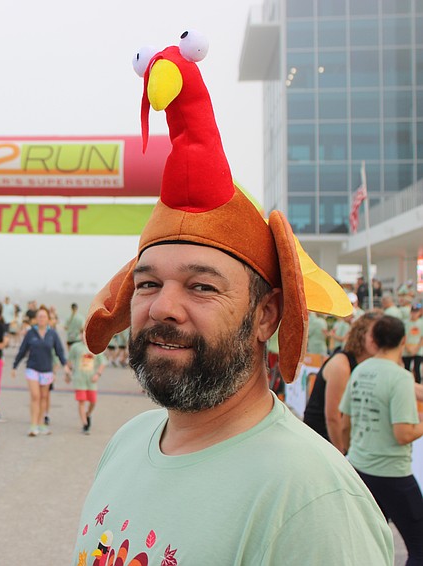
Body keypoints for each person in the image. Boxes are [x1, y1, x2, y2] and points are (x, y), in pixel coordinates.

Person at [73, 37, 392, 563]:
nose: (162, 307)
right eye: (148, 283)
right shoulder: (129, 442)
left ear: (266, 313)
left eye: (201, 286)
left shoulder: (309, 499)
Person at [340, 315, 423, 564]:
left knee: (371, 542)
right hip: (392, 473)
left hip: (359, 467)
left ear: (372, 340)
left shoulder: (360, 370)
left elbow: (344, 422)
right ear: (404, 340)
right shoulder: (399, 378)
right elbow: (403, 434)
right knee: (420, 547)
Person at [302, 311, 381, 452]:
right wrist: (343, 454)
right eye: (376, 335)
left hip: (344, 435)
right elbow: (333, 418)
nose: (380, 340)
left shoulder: (370, 363)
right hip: (321, 437)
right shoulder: (341, 365)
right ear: (361, 335)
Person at [11, 305, 67, 437]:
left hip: (46, 370)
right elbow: (22, 350)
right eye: (39, 316)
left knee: (44, 397)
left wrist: (65, 365)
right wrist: (14, 366)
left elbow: (59, 350)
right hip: (32, 369)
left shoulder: (52, 334)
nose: (42, 319)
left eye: (44, 316)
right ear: (36, 319)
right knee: (35, 396)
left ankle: (41, 424)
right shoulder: (31, 333)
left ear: (48, 319)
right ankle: (33, 425)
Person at [64, 331, 106, 434]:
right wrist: (67, 374)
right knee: (81, 401)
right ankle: (84, 424)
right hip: (79, 378)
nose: (84, 336)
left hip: (91, 379)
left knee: (93, 401)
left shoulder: (96, 347)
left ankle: (88, 414)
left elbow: (103, 362)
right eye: (83, 334)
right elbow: (69, 362)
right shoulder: (76, 347)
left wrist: (98, 374)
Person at [403, 303, 423, 383]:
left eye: (416, 312)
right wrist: (407, 348)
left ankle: (418, 384)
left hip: (418, 348)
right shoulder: (406, 323)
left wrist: (416, 349)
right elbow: (403, 336)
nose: (414, 314)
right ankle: (407, 383)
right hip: (407, 348)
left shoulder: (421, 323)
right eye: (413, 312)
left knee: (416, 368)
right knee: (407, 368)